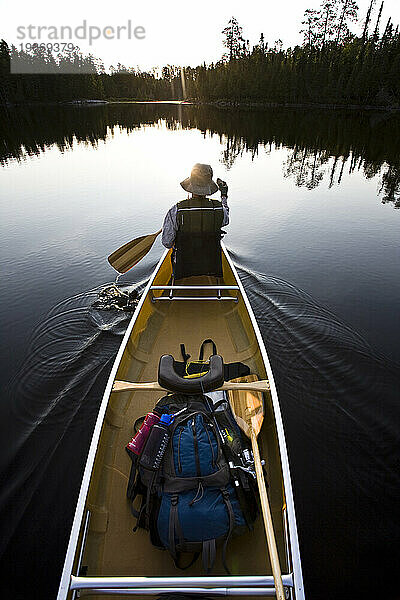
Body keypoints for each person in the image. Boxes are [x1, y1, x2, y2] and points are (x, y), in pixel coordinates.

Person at [162, 163, 229, 280]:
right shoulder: (219, 209)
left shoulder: (176, 210)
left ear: (190, 185)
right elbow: (225, 220)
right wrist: (224, 196)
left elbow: (167, 243)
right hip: (211, 267)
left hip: (184, 268)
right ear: (209, 186)